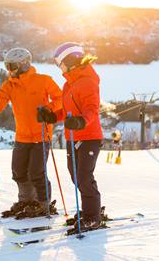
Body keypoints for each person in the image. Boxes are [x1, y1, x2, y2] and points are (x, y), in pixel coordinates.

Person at [0, 47, 62, 217]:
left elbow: (61, 98)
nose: (9, 70)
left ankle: (43, 204)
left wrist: (48, 109)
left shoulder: (44, 80)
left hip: (41, 134)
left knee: (37, 172)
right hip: (22, 136)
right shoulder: (10, 85)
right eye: (7, 67)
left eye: (12, 66)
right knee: (19, 171)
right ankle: (26, 200)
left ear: (24, 64)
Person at [37, 42, 103, 231]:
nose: (60, 67)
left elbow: (92, 110)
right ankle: (89, 210)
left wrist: (82, 121)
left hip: (89, 137)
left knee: (84, 176)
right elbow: (66, 112)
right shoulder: (69, 84)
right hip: (72, 137)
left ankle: (93, 216)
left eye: (60, 63)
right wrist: (51, 117)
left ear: (70, 60)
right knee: (76, 176)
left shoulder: (88, 81)